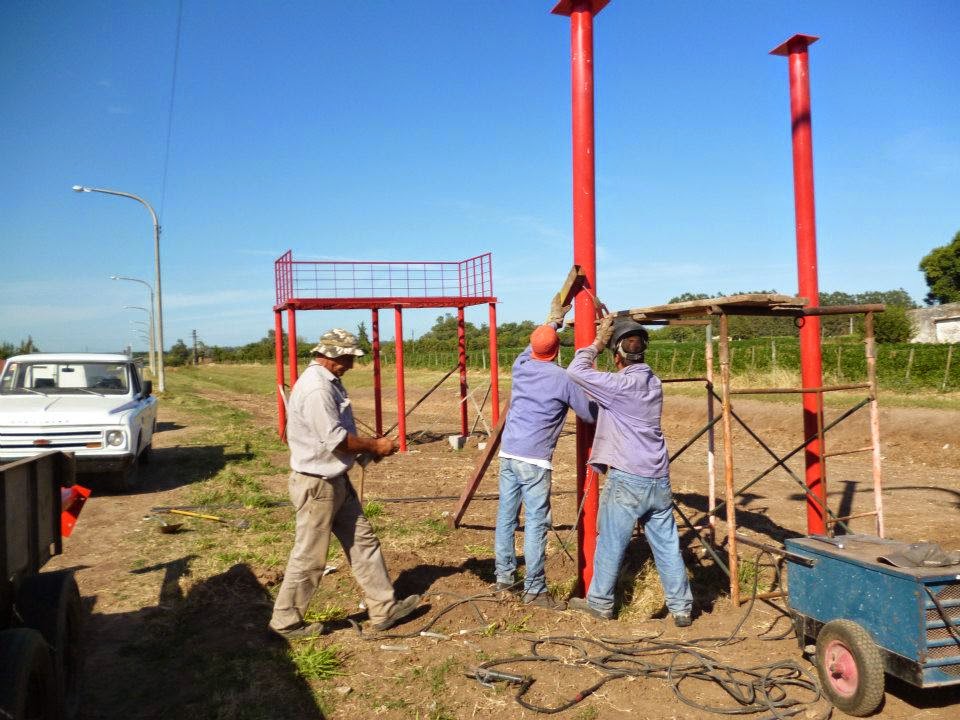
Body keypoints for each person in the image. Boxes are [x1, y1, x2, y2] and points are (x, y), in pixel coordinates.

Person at [270, 328, 421, 638]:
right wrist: (375, 446)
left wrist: (365, 453)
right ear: (331, 355)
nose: (351, 365)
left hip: (335, 479)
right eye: (349, 358)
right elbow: (336, 441)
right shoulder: (316, 390)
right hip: (317, 485)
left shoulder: (329, 383)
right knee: (310, 555)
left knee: (363, 542)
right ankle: (284, 622)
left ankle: (383, 608)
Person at [565, 315, 694, 627]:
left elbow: (575, 371)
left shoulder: (619, 386)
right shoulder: (653, 382)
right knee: (666, 545)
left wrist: (597, 341)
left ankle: (599, 604)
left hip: (628, 478)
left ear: (617, 354)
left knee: (611, 542)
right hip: (658, 477)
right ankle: (682, 609)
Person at [495, 299, 596, 609]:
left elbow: (537, 345)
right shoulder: (562, 379)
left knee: (506, 517)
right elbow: (589, 414)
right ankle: (536, 590)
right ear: (556, 352)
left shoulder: (521, 365)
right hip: (535, 461)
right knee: (537, 523)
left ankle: (504, 578)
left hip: (509, 454)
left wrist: (553, 321)